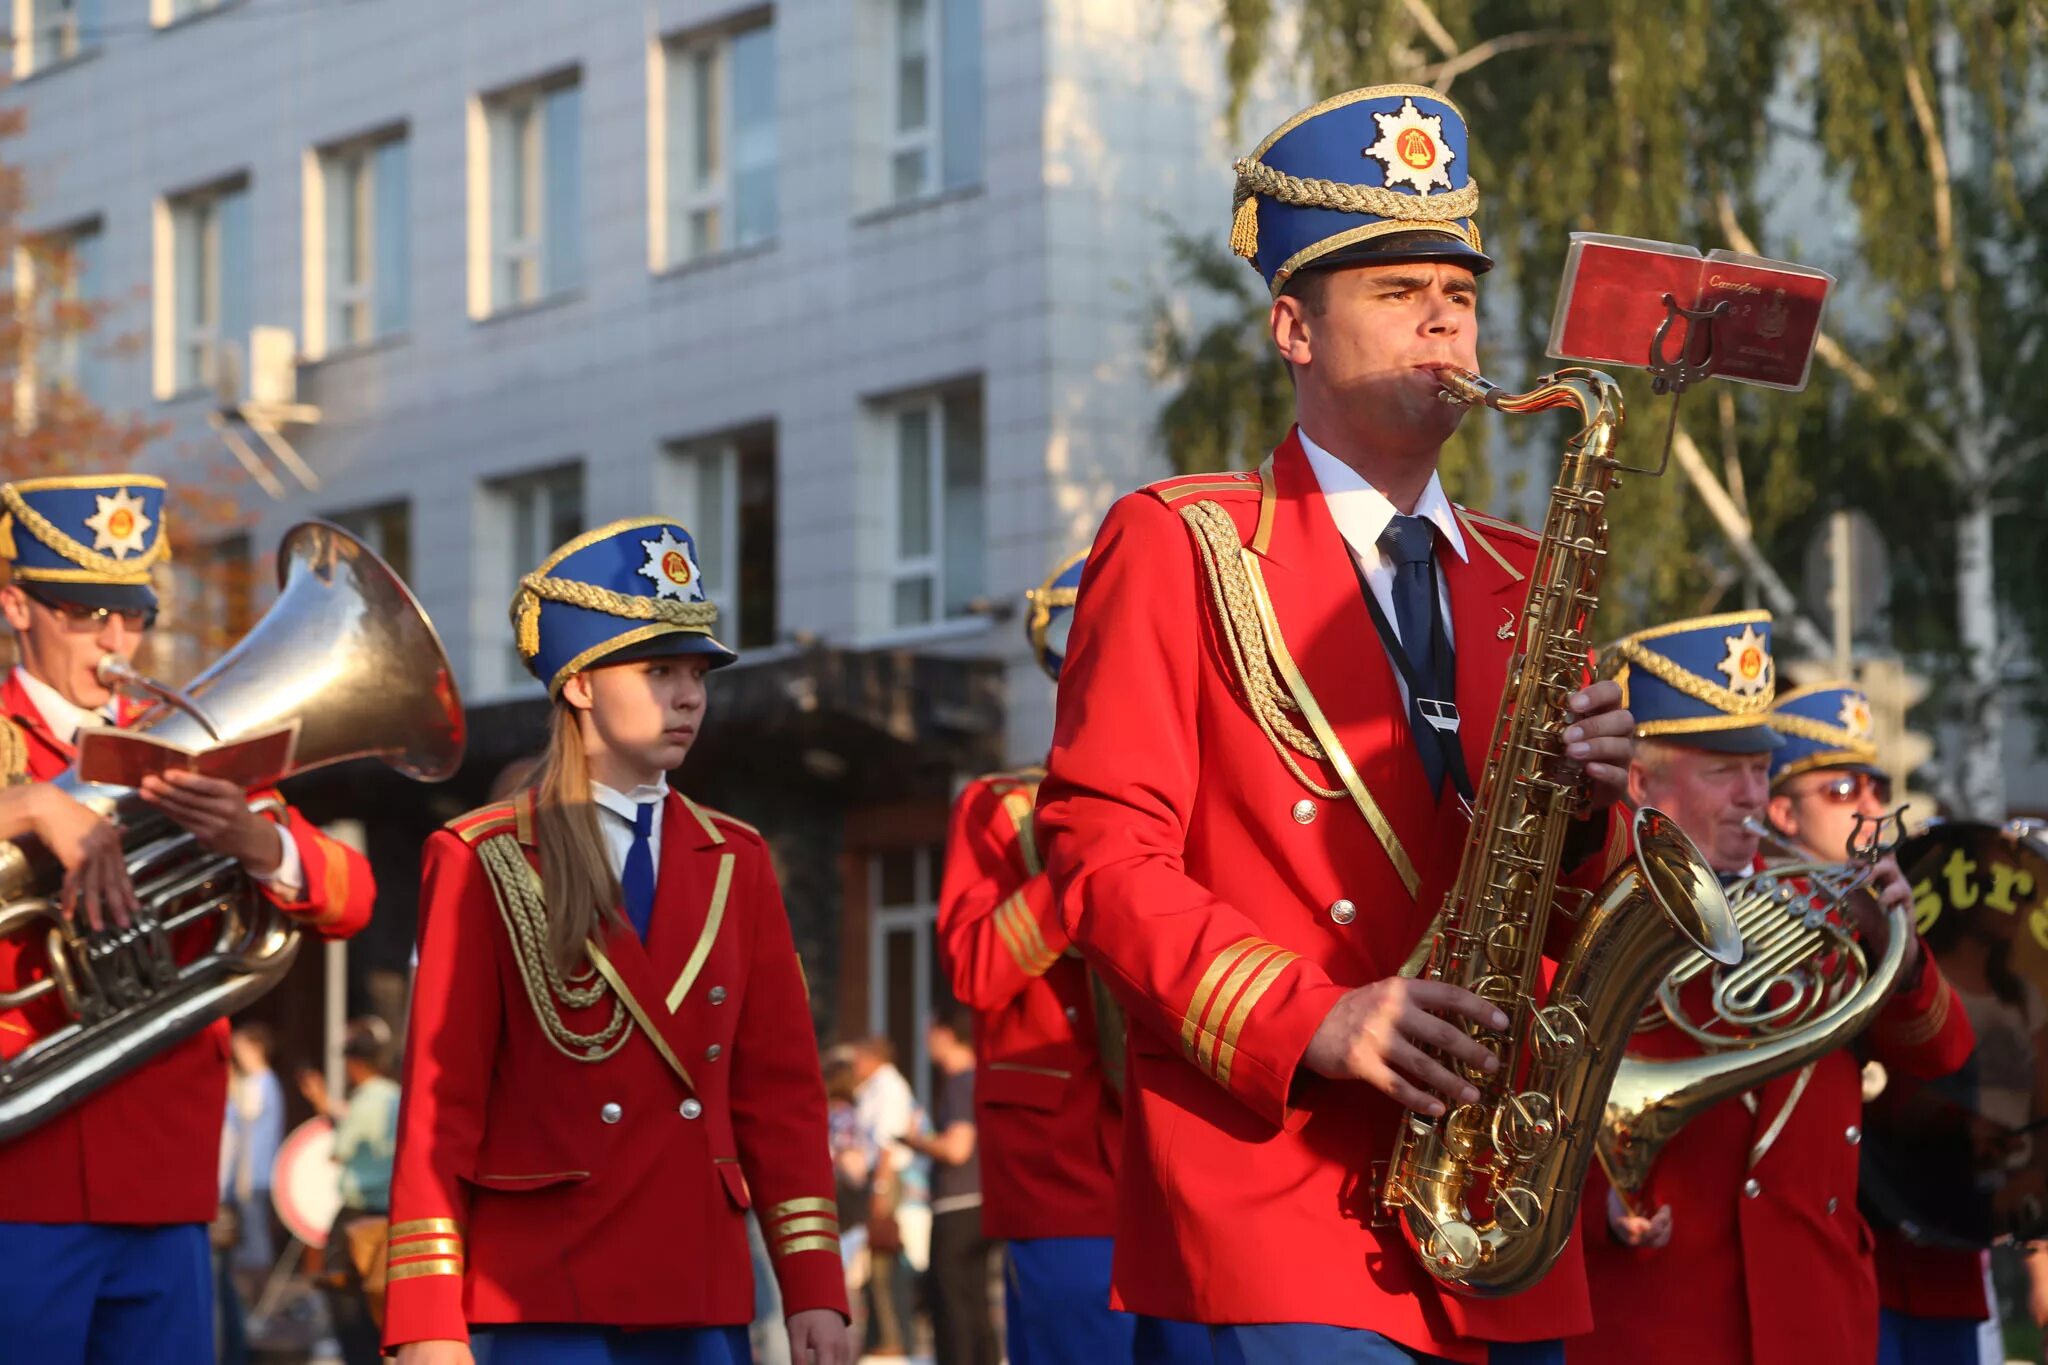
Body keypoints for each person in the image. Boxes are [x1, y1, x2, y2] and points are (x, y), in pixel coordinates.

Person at [1035, 84, 1641, 1364]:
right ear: (1291, 326)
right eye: (1395, 288)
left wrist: (1588, 815)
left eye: (1460, 293)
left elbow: (1561, 901)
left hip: (1496, 1206)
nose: (1442, 318)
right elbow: (1099, 857)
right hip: (1278, 1201)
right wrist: (1308, 1018)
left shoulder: (1527, 575)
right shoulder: (1178, 543)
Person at [381, 516, 852, 1365]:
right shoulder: (481, 856)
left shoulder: (736, 858)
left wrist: (814, 1285)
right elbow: (439, 1106)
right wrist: (425, 1317)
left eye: (697, 672)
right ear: (582, 685)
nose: (688, 696)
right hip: (542, 1297)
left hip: (698, 1289)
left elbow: (780, 1096)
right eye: (658, 669)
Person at [0, 472, 375, 1364]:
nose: (115, 642)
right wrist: (21, 807)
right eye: (84, 614)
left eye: (133, 615)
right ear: (16, 604)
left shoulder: (186, 735)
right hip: (18, 1177)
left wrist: (258, 842)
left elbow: (351, 895)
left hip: (167, 1180)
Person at [1575, 619, 1974, 1365]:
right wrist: (1595, 1209)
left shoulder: (1822, 904)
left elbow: (1946, 1060)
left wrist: (1902, 953)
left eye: (1762, 769)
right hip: (1655, 1322)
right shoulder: (1583, 912)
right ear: (1641, 780)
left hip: (1816, 1323)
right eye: (1724, 772)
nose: (1753, 797)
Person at [936, 553, 1208, 1364]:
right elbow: (977, 972)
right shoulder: (1000, 805)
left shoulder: (1201, 801)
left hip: (1183, 1154)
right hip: (1062, 1165)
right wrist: (1086, 848)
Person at [1768, 683, 2003, 1364]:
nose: (1873, 806)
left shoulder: (1899, 904)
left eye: (1877, 786)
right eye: (1844, 788)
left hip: (1928, 1250)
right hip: (1815, 1262)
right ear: (1782, 809)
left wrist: (1893, 940)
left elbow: (1950, 1052)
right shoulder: (1743, 910)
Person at [300, 1017, 403, 1365]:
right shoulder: (396, 1095)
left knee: (349, 1307)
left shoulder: (364, 1100)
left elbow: (338, 1151)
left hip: (358, 1217)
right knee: (382, 1305)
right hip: (392, 1214)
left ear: (355, 1064)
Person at [900, 1010, 997, 1365]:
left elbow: (957, 1148)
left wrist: (915, 1141)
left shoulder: (960, 1081)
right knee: (975, 1302)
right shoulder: (981, 1077)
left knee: (950, 1303)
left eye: (930, 1031)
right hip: (982, 1202)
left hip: (956, 1206)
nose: (926, 1040)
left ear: (945, 1033)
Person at [848, 1037, 918, 1358]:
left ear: (873, 1057)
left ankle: (893, 1337)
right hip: (877, 1178)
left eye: (858, 1058)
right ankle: (880, 1333)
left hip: (885, 1179)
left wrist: (879, 1190)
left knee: (883, 1261)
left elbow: (887, 1142)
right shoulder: (874, 1087)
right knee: (874, 1261)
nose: (854, 1066)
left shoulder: (889, 1088)